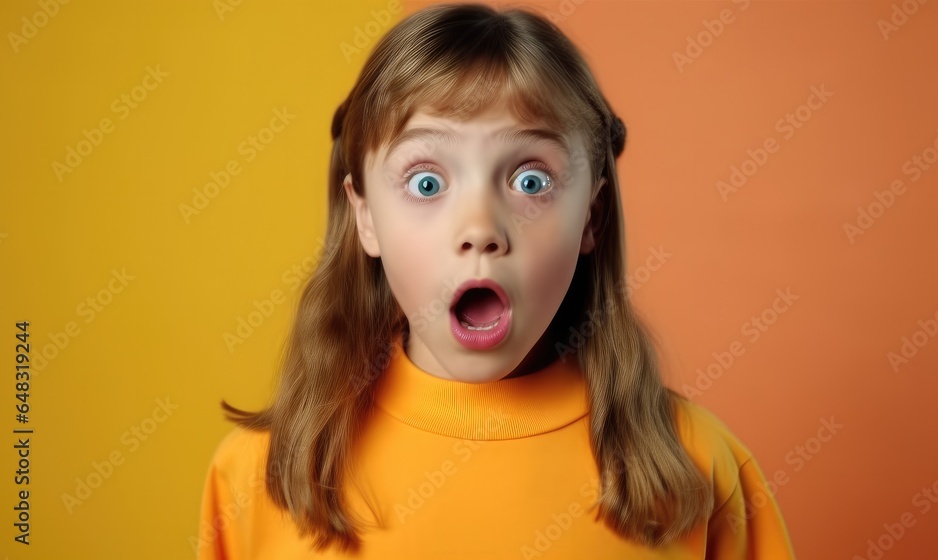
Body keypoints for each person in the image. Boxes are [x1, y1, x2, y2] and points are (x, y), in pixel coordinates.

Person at [195, 3, 796, 559]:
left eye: (530, 181)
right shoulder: (260, 477)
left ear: (593, 214)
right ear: (366, 218)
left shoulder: (698, 468)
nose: (481, 229)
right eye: (427, 183)